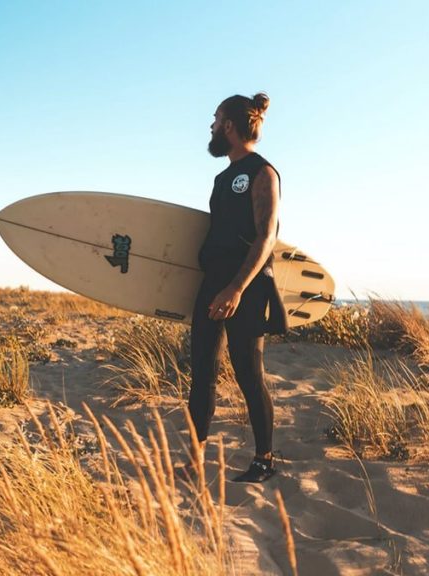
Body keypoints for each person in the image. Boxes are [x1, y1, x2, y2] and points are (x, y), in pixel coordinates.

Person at [182, 92, 288, 484]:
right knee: (202, 373)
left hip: (247, 286)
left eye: (214, 120)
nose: (210, 127)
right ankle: (195, 460)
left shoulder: (263, 172)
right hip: (213, 284)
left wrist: (237, 289)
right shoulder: (222, 177)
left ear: (228, 125)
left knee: (248, 374)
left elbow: (265, 238)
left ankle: (264, 460)